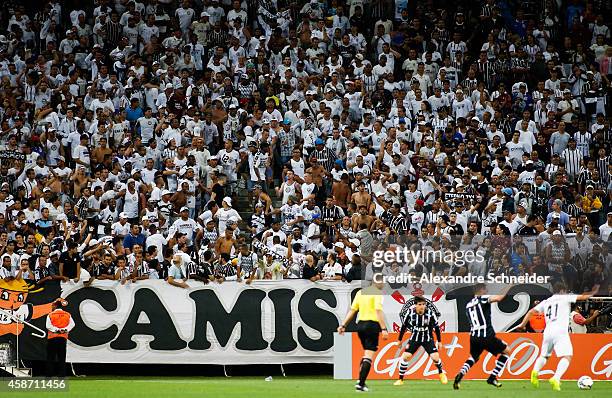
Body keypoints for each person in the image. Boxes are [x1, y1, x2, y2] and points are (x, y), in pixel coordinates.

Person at [517, 283, 599, 391]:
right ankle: (556, 378)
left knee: (544, 356)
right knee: (567, 356)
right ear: (562, 291)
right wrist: (593, 292)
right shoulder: (564, 297)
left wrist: (522, 324)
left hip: (547, 332)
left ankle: (535, 372)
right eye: (565, 291)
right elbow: (583, 297)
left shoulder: (546, 301)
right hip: (560, 331)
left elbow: (531, 312)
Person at [453, 283, 512, 389]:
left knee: (474, 357)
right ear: (480, 289)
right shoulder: (483, 298)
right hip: (486, 335)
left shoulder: (469, 304)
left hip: (474, 336)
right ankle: (492, 377)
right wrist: (510, 285)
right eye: (485, 289)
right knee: (507, 351)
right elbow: (499, 298)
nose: (487, 290)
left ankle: (460, 374)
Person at [337, 276, 388, 392]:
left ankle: (360, 380)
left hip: (360, 325)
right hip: (372, 326)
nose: (384, 284)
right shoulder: (377, 293)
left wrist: (343, 325)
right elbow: (378, 311)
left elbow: (353, 310)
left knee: (366, 354)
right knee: (369, 355)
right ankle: (361, 384)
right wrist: (384, 328)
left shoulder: (361, 292)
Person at [395, 296, 447, 385]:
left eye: (423, 304)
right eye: (420, 304)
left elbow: (437, 328)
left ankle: (441, 373)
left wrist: (439, 341)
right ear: (415, 305)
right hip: (415, 338)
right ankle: (400, 379)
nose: (422, 306)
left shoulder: (430, 313)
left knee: (435, 357)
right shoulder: (410, 313)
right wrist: (399, 340)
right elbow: (404, 326)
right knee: (405, 356)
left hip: (427, 339)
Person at [45, 298, 73, 377]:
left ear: (55, 306)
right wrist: (65, 330)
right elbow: (72, 324)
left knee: (51, 357)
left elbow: (48, 326)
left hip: (52, 338)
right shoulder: (67, 314)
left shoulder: (50, 315)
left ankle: (49, 374)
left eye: (53, 305)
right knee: (62, 357)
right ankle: (62, 374)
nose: (52, 307)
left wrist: (56, 330)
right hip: (62, 338)